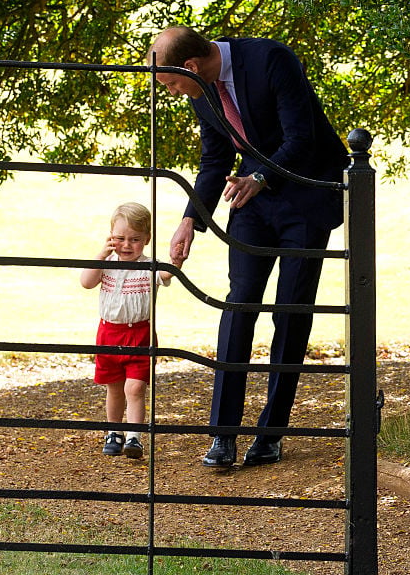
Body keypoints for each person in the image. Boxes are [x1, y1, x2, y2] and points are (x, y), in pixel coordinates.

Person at [149, 26, 349, 468]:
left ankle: (271, 432)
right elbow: (215, 159)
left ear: (191, 67)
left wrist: (260, 178)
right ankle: (223, 436)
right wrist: (189, 220)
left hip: (308, 192)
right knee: (238, 305)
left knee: (290, 312)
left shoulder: (271, 59)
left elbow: (302, 138)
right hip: (252, 199)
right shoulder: (201, 91)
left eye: (171, 83)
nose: (174, 92)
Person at [80, 202, 184, 458]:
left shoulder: (150, 266)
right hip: (109, 335)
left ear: (147, 239)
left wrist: (176, 261)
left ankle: (134, 437)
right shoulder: (107, 263)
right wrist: (101, 256)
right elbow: (86, 282)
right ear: (110, 237)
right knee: (114, 387)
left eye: (135, 239)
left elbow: (169, 274)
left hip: (140, 334)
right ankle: (114, 432)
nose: (127, 245)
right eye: (120, 238)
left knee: (135, 388)